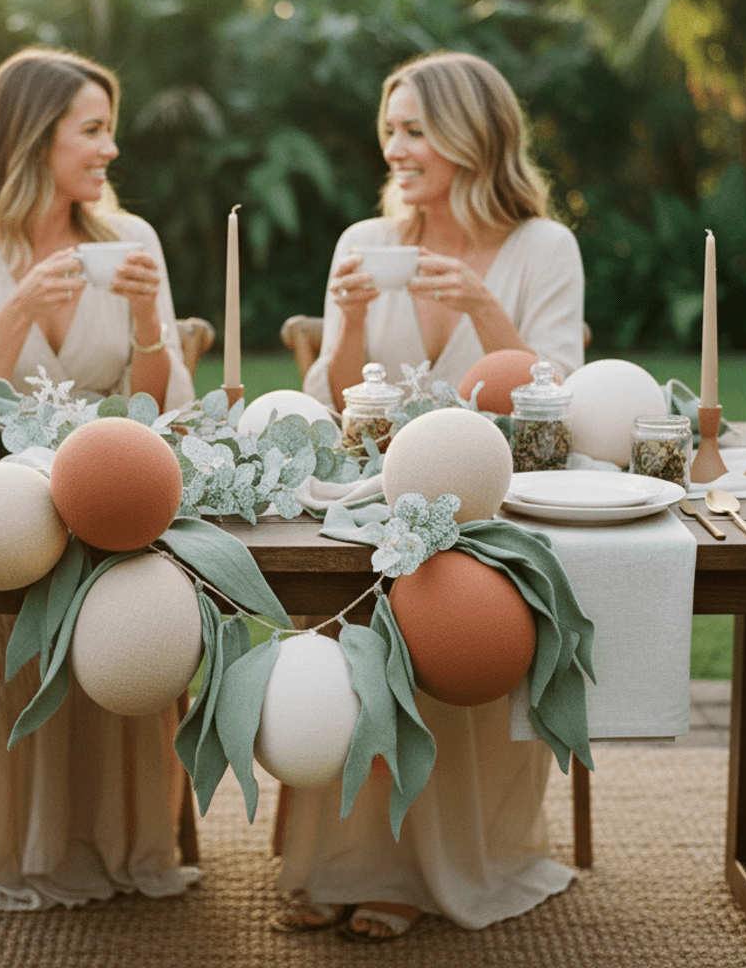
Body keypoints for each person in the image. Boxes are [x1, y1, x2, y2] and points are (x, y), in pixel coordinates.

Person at [284, 51, 586, 941]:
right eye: (390, 130)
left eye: (415, 130)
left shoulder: (544, 248)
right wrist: (346, 322)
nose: (395, 149)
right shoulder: (364, 241)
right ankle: (341, 862)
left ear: (473, 136)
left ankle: (426, 871)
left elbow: (559, 400)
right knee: (350, 614)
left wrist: (487, 310)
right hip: (373, 493)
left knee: (457, 616)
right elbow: (335, 399)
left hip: (493, 502)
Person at [0, 47, 198, 911]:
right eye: (93, 130)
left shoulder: (129, 239)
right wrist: (20, 308)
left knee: (131, 603)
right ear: (34, 137)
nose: (111, 148)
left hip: (112, 496)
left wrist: (146, 318)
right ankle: (7, 840)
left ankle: (122, 837)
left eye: (110, 129)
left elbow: (160, 406)